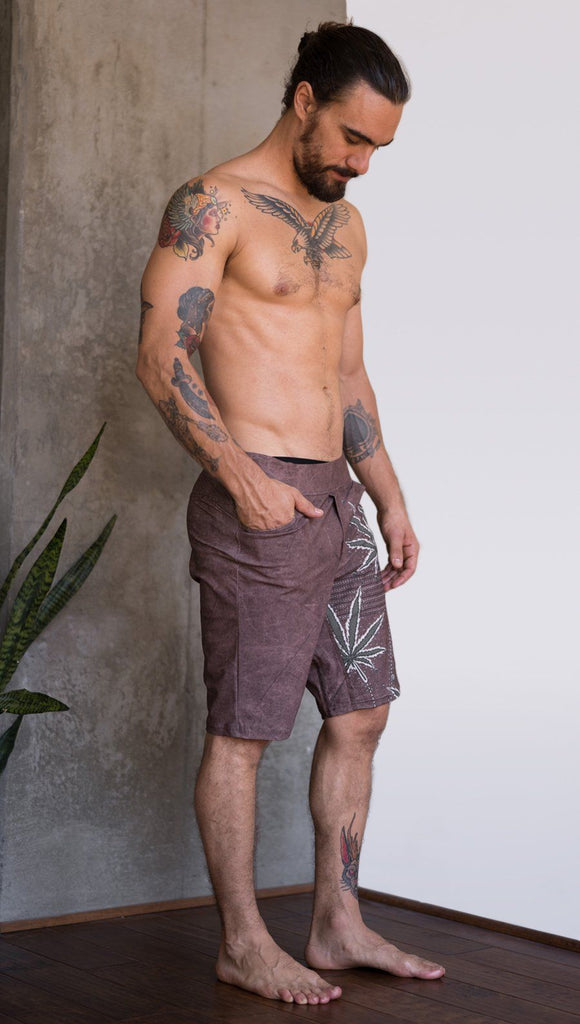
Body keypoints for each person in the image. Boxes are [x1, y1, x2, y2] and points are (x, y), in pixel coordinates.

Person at [137, 20, 445, 1007]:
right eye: (352, 139)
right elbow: (160, 354)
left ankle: (336, 921)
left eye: (378, 149)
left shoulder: (348, 230)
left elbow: (347, 375)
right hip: (258, 498)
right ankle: (242, 942)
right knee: (245, 731)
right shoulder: (212, 205)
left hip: (337, 500)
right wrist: (238, 476)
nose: (361, 164)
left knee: (361, 713)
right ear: (304, 100)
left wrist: (389, 496)